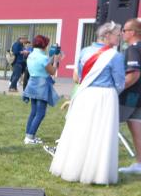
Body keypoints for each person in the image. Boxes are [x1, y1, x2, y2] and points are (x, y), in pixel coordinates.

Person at [50, 21, 125, 184]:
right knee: (100, 133)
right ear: (107, 35)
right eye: (118, 35)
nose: (120, 38)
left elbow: (78, 77)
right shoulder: (116, 56)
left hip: (85, 94)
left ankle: (71, 168)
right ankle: (97, 173)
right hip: (105, 96)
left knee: (80, 131)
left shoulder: (84, 51)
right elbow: (120, 83)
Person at [21, 35, 61, 145]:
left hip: (32, 83)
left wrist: (51, 58)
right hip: (41, 85)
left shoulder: (31, 55)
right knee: (40, 113)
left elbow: (42, 67)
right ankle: (30, 137)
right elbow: (52, 71)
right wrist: (56, 61)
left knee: (33, 112)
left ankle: (29, 135)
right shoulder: (43, 58)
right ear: (44, 45)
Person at [119, 18, 141, 174]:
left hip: (130, 97)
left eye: (124, 30)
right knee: (137, 130)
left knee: (109, 125)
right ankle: (140, 164)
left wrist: (116, 89)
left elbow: (134, 74)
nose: (122, 33)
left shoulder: (132, 49)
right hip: (138, 96)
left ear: (132, 32)